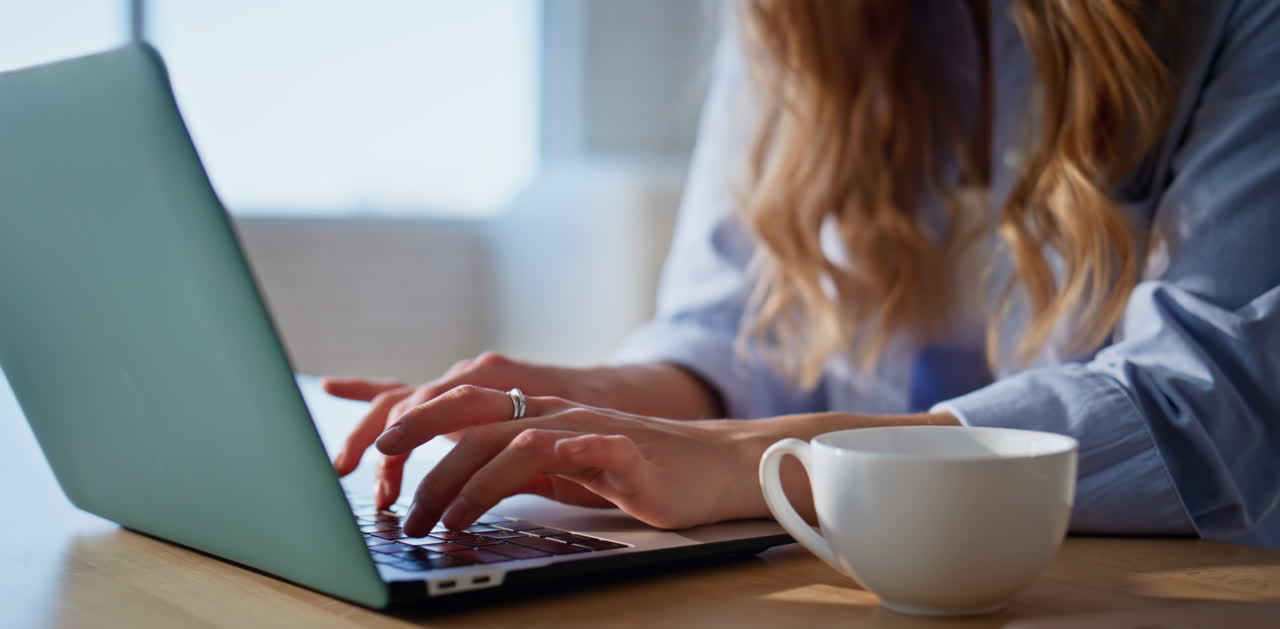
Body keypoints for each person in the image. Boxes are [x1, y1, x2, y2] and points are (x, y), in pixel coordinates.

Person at [324, 0, 1280, 549]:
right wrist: (598, 406)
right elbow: (734, 324)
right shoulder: (797, 22)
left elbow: (1209, 403)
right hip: (855, 591)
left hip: (1156, 609)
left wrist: (765, 459)